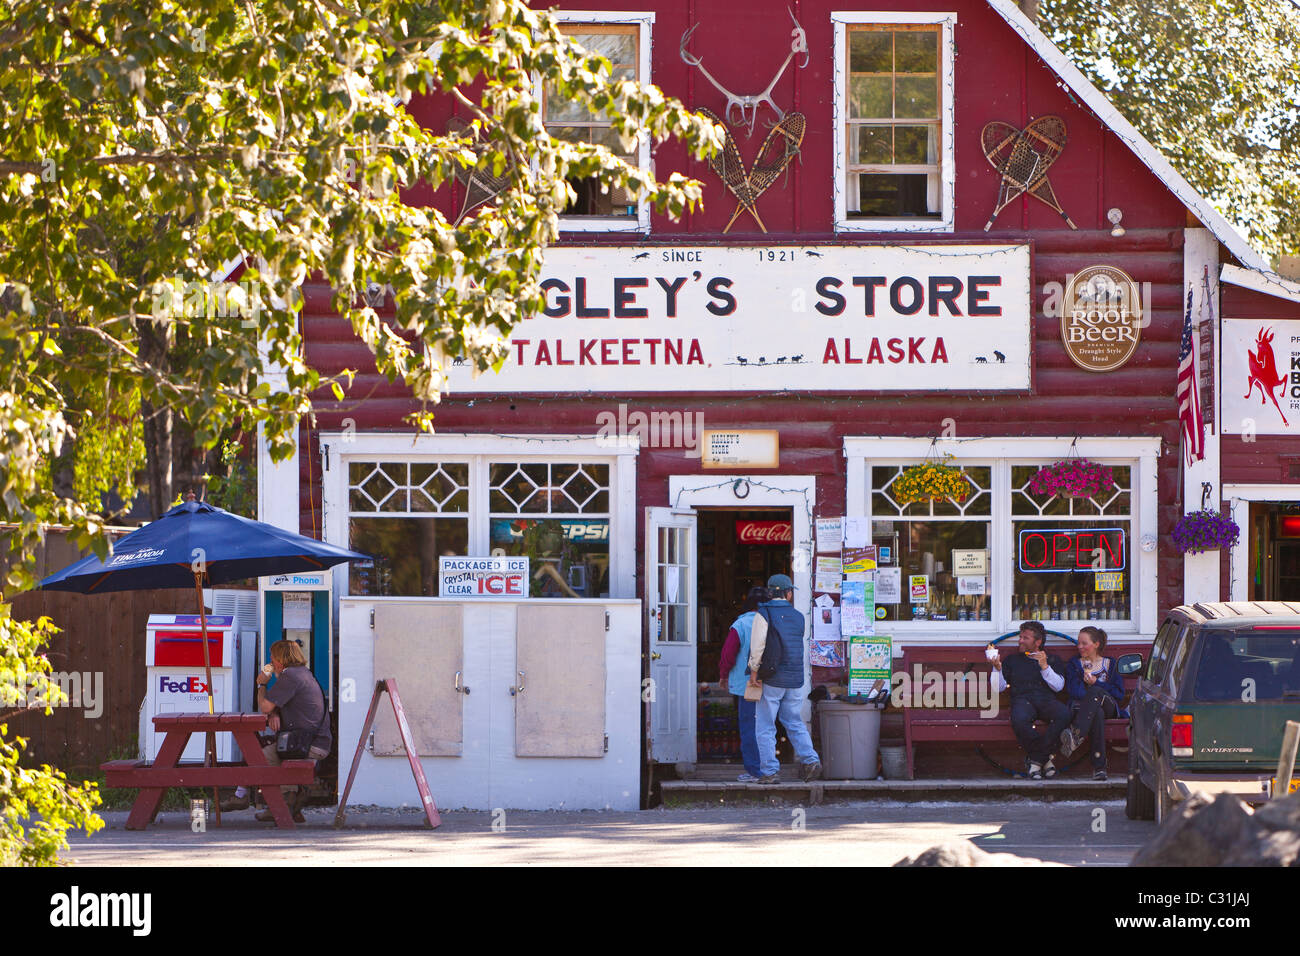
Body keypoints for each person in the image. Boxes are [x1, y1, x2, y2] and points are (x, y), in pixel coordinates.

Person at [747, 573, 822, 784]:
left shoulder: (763, 614)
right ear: (788, 594)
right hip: (796, 678)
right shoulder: (799, 616)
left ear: (770, 593)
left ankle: (770, 771)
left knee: (765, 726)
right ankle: (811, 760)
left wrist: (754, 672)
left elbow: (758, 646)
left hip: (771, 677)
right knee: (794, 722)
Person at [252, 639, 331, 823]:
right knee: (273, 751)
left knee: (262, 757)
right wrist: (274, 714)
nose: (270, 661)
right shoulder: (303, 673)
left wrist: (261, 684)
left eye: (272, 657)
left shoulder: (290, 677)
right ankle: (293, 804)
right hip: (315, 740)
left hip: (307, 744)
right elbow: (280, 705)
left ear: (279, 661)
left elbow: (265, 706)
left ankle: (282, 805)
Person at [987, 620, 1069, 779]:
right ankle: (1045, 760)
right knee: (1019, 719)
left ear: (1038, 642)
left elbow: (1058, 687)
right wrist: (997, 668)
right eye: (1020, 637)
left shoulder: (1052, 659)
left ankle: (1036, 760)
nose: (1020, 641)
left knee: (1064, 714)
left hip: (1046, 700)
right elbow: (998, 688)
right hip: (1022, 700)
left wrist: (1044, 666)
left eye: (1025, 638)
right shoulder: (1012, 660)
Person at [1059, 625, 1126, 780]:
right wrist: (1088, 689)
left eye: (1084, 643)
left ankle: (1076, 736)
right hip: (1083, 709)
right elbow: (1073, 691)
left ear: (1096, 644)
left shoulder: (1111, 664)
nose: (1079, 647)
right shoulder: (1075, 664)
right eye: (1078, 643)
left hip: (1109, 706)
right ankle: (1099, 768)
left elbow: (1118, 694)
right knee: (1097, 713)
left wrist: (1097, 684)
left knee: (1096, 692)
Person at [718, 587, 769, 782]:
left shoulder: (740, 624)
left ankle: (755, 771)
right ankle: (769, 767)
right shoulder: (770, 623)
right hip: (771, 682)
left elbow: (728, 655)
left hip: (747, 684)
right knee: (767, 726)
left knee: (749, 726)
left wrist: (724, 675)